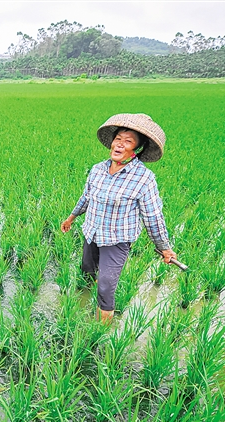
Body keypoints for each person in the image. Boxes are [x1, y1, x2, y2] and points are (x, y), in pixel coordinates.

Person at [60, 113, 177, 323]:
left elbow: (153, 217)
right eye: (118, 139)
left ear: (137, 149)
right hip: (91, 232)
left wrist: (165, 247)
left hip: (117, 240)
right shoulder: (97, 169)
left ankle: (99, 331)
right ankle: (89, 297)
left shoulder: (144, 178)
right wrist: (71, 218)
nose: (120, 144)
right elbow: (86, 197)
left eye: (128, 141)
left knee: (106, 285)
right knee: (88, 268)